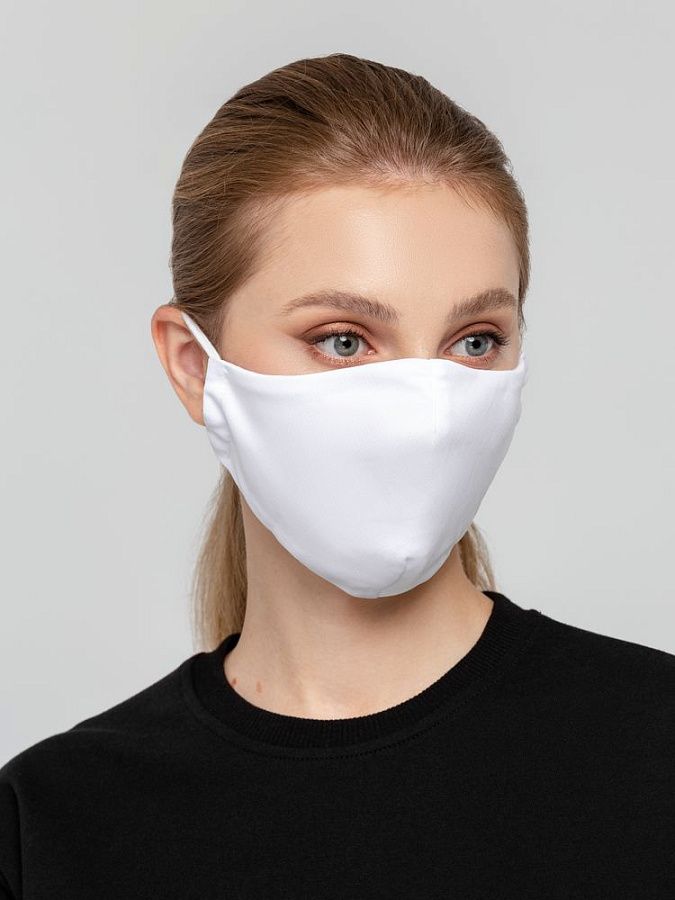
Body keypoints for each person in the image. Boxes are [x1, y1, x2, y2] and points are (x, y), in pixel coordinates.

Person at [1, 52, 673, 899]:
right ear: (193, 366)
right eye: (343, 340)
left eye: (474, 341)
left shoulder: (655, 749)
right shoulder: (56, 823)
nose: (426, 410)